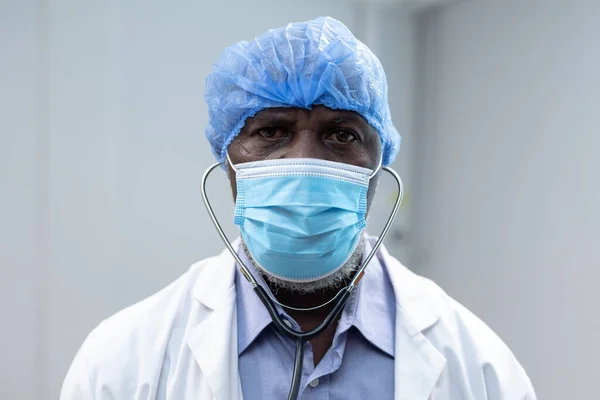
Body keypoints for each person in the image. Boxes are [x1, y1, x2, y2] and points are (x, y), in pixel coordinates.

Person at [61, 17, 536, 400]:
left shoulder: (480, 367)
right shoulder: (121, 363)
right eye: (271, 131)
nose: (304, 161)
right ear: (228, 160)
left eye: (342, 134)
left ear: (379, 164)